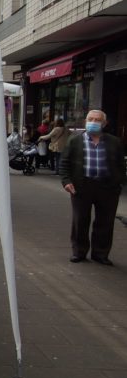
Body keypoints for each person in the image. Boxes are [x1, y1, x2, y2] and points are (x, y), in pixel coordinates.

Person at [59, 110, 125, 265]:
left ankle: (100, 254)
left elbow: (121, 165)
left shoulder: (114, 142)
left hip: (107, 188)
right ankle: (79, 252)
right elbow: (64, 163)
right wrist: (66, 181)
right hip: (81, 186)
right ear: (85, 121)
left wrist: (119, 182)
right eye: (91, 119)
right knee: (80, 221)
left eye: (97, 119)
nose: (93, 122)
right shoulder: (74, 141)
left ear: (104, 123)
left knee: (105, 222)